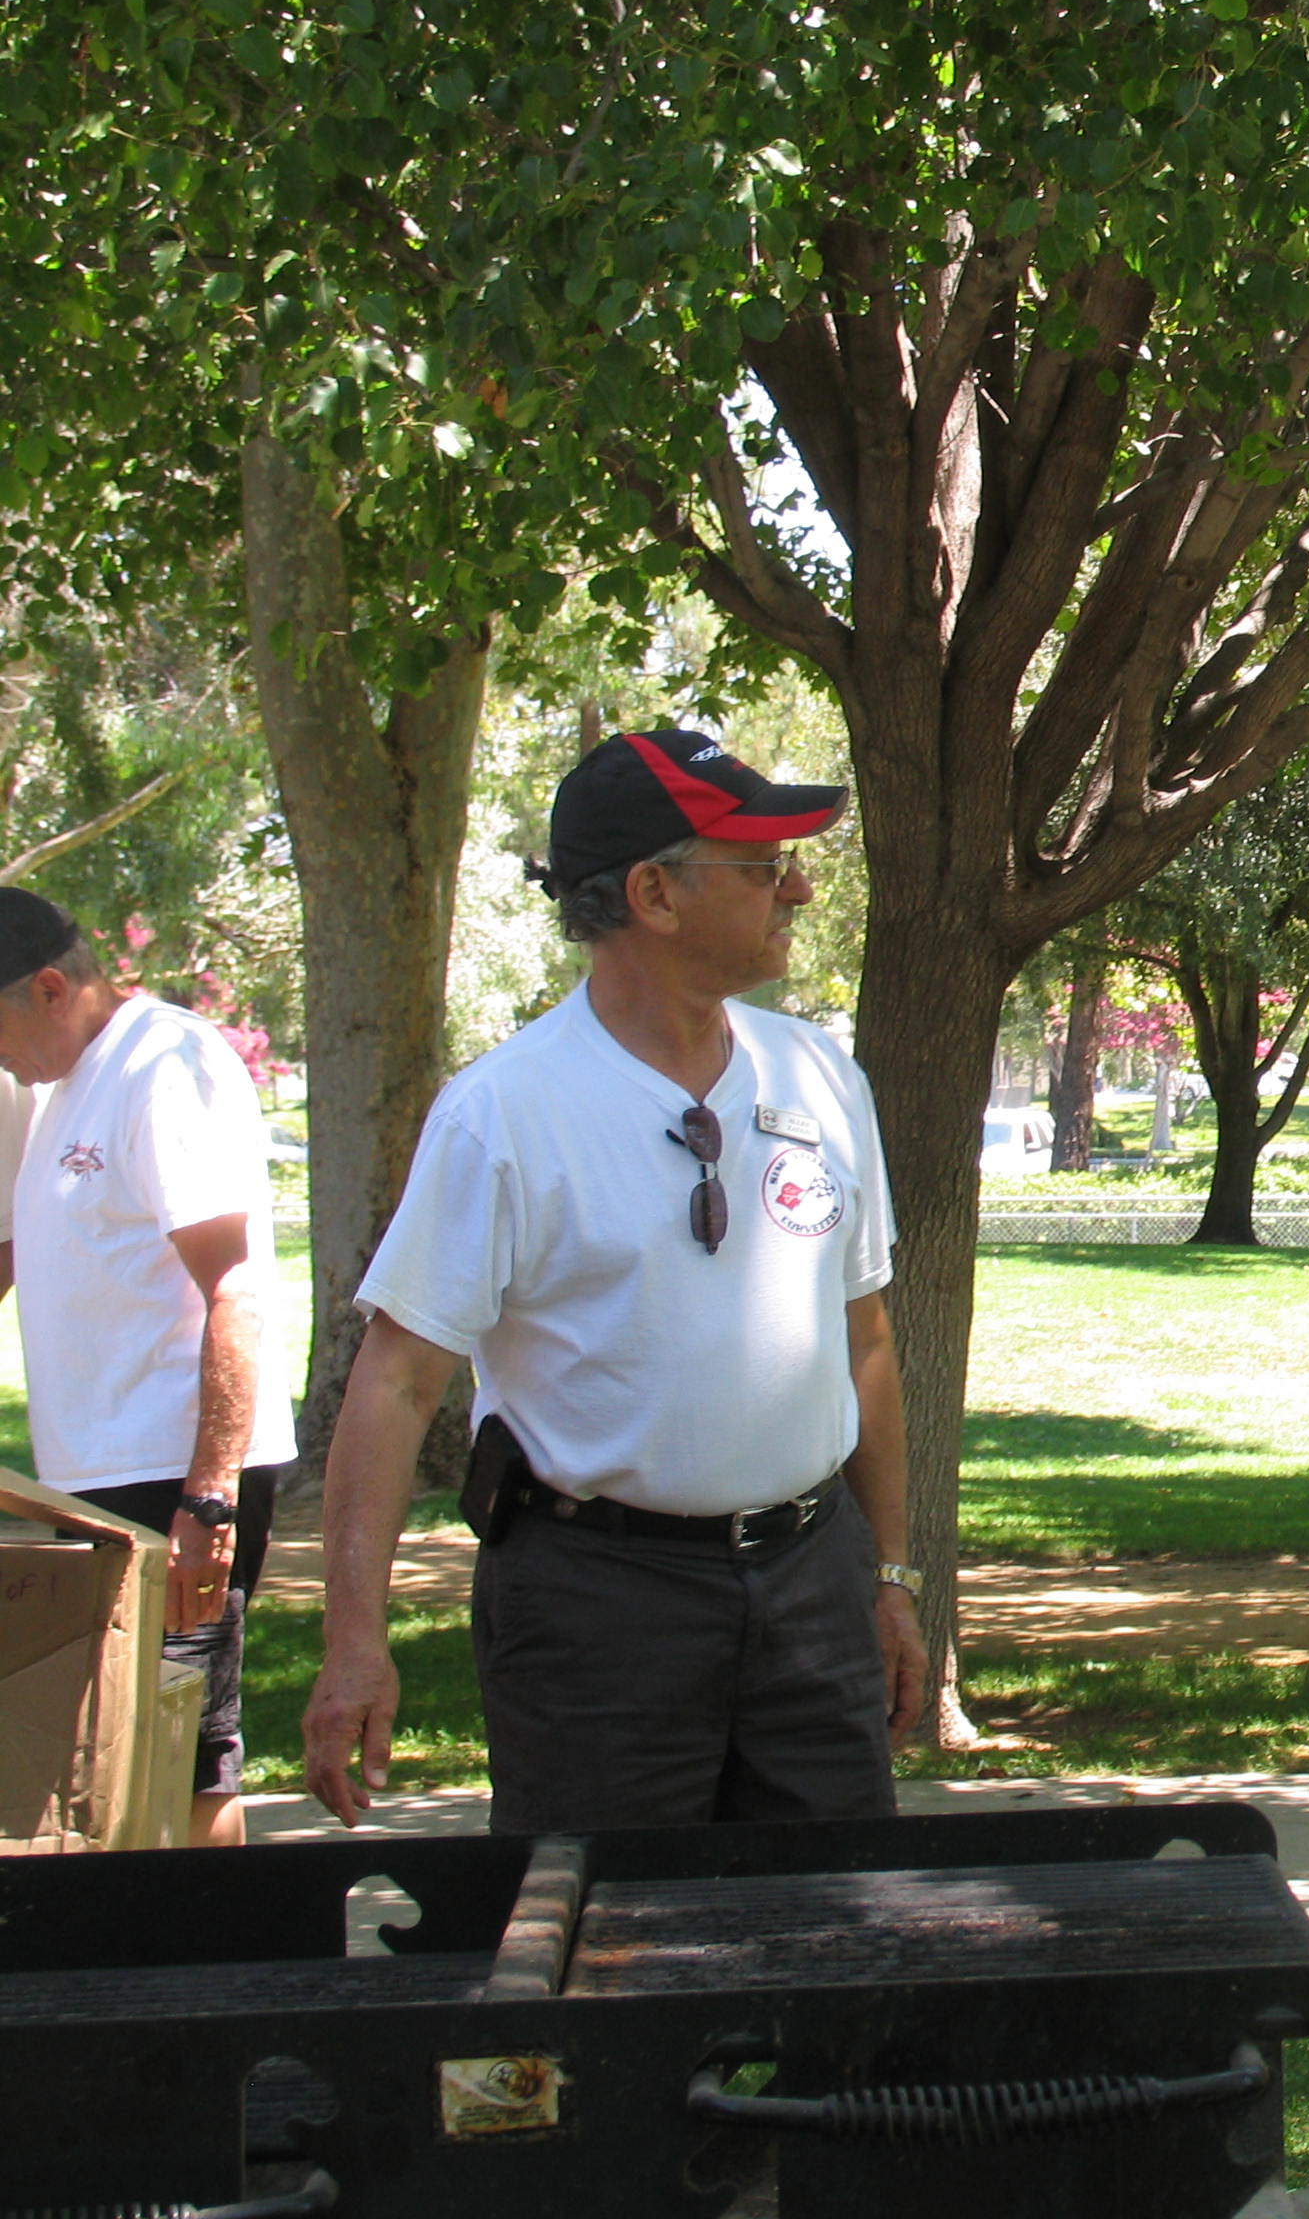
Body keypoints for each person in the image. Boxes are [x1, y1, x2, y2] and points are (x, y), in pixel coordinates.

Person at [301, 727, 923, 1834]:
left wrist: (890, 1575)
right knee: (605, 1957)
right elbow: (395, 1388)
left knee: (836, 1945)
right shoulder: (505, 1113)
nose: (801, 886)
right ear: (653, 894)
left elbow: (864, 1339)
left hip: (811, 1588)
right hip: (596, 1608)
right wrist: (355, 1644)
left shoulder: (822, 1076)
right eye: (763, 865)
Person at [0, 889, 282, 1848]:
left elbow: (235, 1289)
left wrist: (210, 1500)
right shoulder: (50, 1087)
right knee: (105, 1762)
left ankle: (219, 1984)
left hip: (176, 1472)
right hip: (92, 1478)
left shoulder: (164, 1064)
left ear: (48, 987)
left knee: (189, 1756)